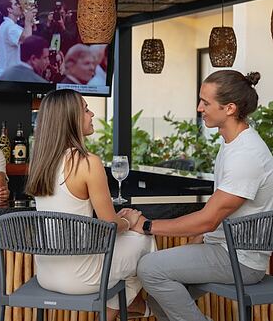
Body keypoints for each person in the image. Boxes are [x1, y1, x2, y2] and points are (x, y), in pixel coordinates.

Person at [119, 70, 273, 321]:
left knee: (150, 268)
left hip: (240, 259)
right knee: (160, 295)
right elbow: (218, 215)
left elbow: (208, 219)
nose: (199, 107)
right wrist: (198, 241)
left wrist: (146, 225)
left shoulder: (247, 155)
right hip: (223, 247)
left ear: (230, 108)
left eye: (206, 102)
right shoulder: (232, 143)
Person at [25, 89, 156, 321]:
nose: (92, 113)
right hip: (82, 278)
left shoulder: (40, 163)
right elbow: (110, 225)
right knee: (144, 239)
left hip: (46, 273)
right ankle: (118, 310)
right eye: (85, 109)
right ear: (70, 118)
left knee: (126, 248)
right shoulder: (88, 162)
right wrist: (129, 220)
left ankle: (134, 306)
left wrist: (120, 222)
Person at [0, 0, 34, 80]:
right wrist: (28, 21)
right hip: (7, 78)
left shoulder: (7, 25)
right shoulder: (10, 27)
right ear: (9, 9)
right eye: (15, 4)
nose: (19, 6)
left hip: (7, 76)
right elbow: (28, 40)